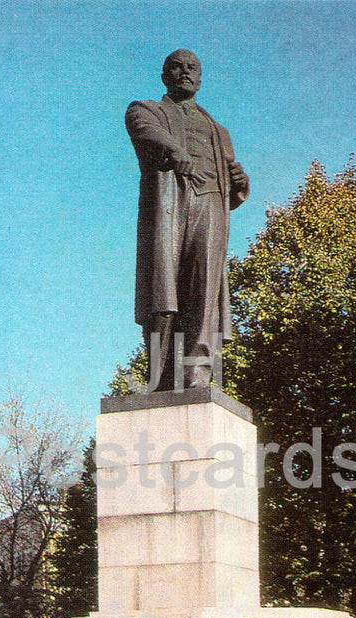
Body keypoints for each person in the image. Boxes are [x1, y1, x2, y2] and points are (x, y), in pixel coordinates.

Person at [125, 49, 249, 390]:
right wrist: (175, 151)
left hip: (210, 203)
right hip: (170, 201)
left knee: (204, 290)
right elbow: (145, 130)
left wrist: (240, 182)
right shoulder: (147, 109)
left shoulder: (218, 129)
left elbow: (232, 186)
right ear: (165, 76)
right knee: (162, 292)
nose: (185, 72)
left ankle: (197, 372)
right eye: (176, 67)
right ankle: (160, 376)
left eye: (192, 67)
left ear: (200, 77)